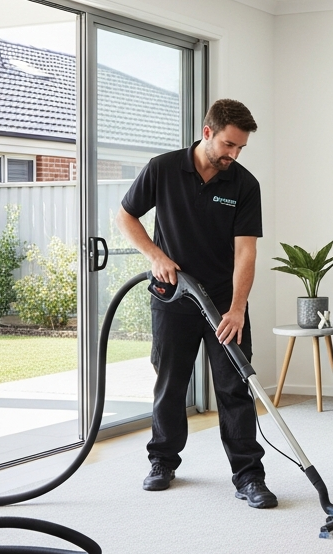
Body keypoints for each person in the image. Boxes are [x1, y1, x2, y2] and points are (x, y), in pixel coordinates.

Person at [117, 99, 276, 508]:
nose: (234, 154)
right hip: (173, 296)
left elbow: (245, 254)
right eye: (228, 145)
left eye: (240, 148)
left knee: (234, 386)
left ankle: (248, 476)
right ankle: (162, 462)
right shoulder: (163, 169)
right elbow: (126, 217)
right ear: (207, 132)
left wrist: (238, 308)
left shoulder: (243, 184)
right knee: (170, 383)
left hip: (224, 303)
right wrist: (155, 255)